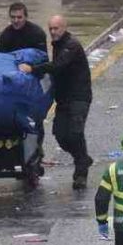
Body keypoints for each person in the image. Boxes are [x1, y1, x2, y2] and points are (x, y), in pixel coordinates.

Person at [18, 15, 93, 189]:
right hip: (64, 99)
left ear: (64, 27)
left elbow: (57, 66)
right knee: (60, 135)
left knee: (75, 133)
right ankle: (82, 158)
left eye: (56, 28)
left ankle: (80, 174)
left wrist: (32, 69)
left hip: (79, 97)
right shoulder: (57, 45)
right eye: (50, 29)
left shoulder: (71, 45)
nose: (53, 32)